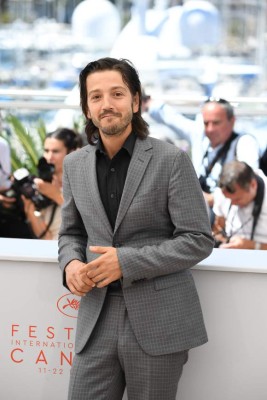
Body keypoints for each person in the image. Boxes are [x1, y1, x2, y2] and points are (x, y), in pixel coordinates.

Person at [58, 57, 214, 400]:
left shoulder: (172, 160)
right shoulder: (74, 164)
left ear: (136, 100)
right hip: (95, 317)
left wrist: (126, 262)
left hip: (158, 319)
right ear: (86, 107)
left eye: (116, 93)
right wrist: (70, 264)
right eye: (95, 96)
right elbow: (70, 232)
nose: (106, 104)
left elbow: (198, 239)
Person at [148, 97, 260, 211]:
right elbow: (172, 118)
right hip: (196, 204)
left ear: (232, 121)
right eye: (206, 123)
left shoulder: (244, 143)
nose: (210, 129)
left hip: (224, 208)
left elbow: (249, 180)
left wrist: (213, 199)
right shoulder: (200, 136)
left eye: (216, 123)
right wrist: (146, 101)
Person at [22, 128, 82, 240]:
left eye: (55, 151)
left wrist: (56, 195)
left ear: (72, 152)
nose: (49, 157)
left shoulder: (84, 181)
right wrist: (29, 209)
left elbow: (89, 223)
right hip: (48, 252)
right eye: (46, 151)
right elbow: (45, 237)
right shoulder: (42, 185)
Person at [213, 160, 267, 250]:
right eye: (229, 199)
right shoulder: (221, 194)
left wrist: (251, 245)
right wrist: (222, 239)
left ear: (253, 185)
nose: (233, 203)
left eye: (237, 199)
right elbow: (218, 227)